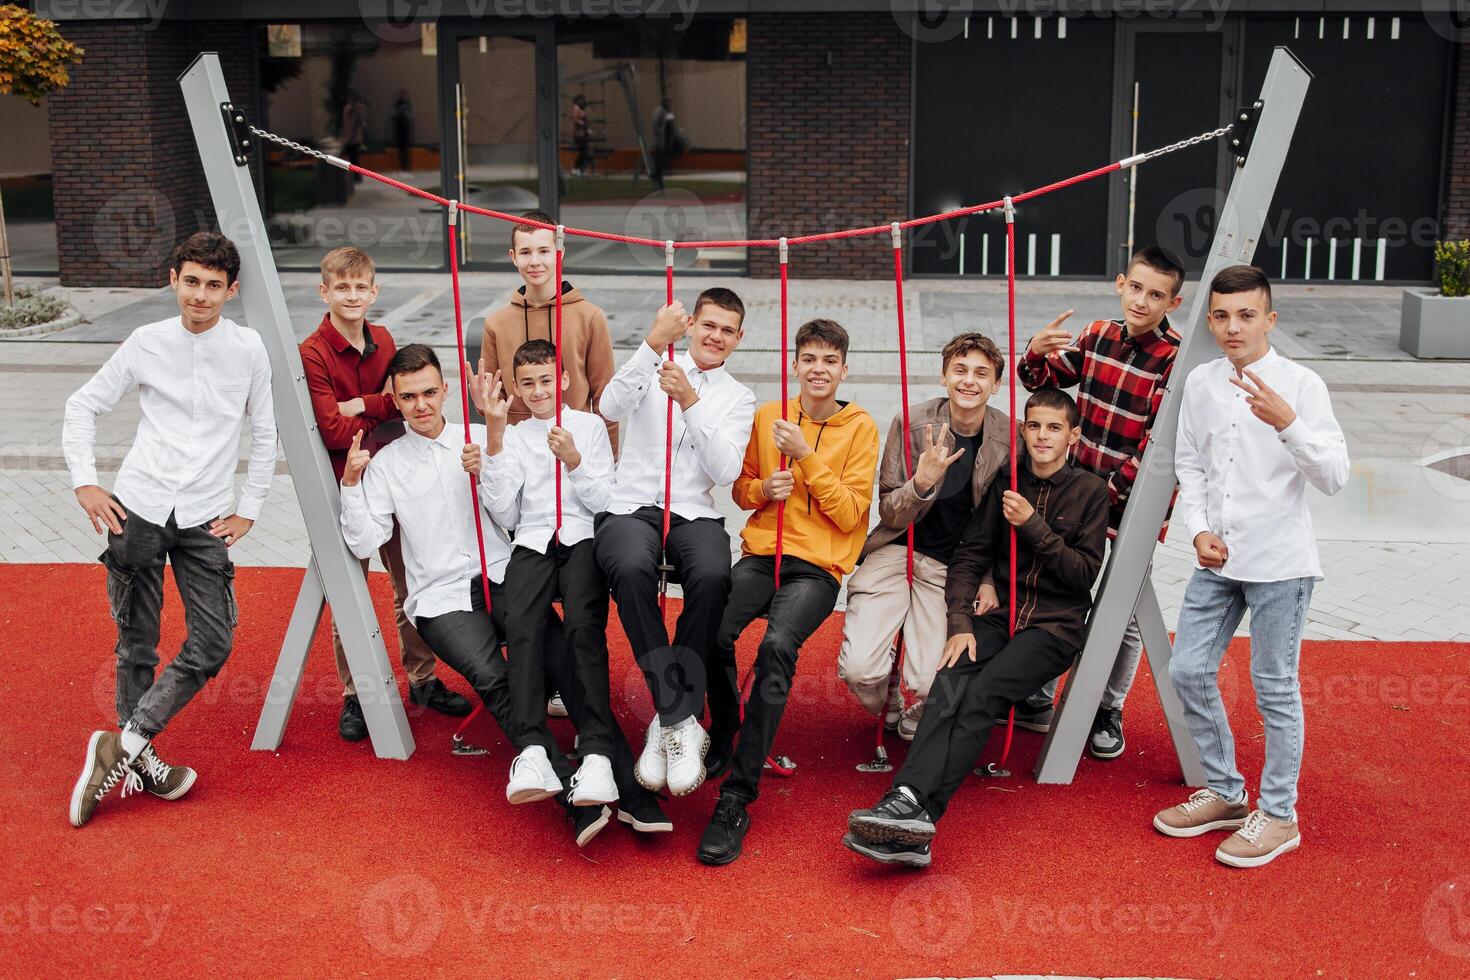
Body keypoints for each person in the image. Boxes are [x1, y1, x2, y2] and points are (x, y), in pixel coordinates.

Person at [339, 343, 665, 847]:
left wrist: (488, 458)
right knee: (496, 676)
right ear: (395, 400)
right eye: (408, 397)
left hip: (502, 575)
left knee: (567, 660)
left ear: (446, 391)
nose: (422, 405)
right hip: (441, 597)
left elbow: (512, 511)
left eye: (430, 392)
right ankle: (572, 797)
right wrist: (352, 484)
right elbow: (364, 541)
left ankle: (623, 781)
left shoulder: (487, 436)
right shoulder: (384, 465)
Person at [844, 389, 1108, 867]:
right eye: (1034, 426)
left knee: (983, 695)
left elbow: (1083, 576)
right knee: (947, 683)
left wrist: (1034, 527)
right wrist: (961, 621)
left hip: (1051, 628)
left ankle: (922, 812)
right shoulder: (1008, 480)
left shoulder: (1090, 491)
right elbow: (971, 554)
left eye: (1054, 427)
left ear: (1073, 436)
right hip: (997, 616)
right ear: (1023, 432)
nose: (1042, 436)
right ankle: (905, 798)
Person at [65, 232, 277, 828]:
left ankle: (123, 745)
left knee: (213, 643)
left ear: (231, 291)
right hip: (137, 509)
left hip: (208, 518)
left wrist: (251, 506)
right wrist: (86, 481)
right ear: (173, 279)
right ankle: (143, 757)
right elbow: (83, 406)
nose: (201, 296)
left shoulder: (249, 349)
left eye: (214, 286)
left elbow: (265, 431)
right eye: (192, 282)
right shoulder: (145, 342)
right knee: (137, 644)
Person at [1153, 265, 1348, 869]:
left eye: (1245, 314)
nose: (1232, 327)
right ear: (1208, 320)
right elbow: (1190, 466)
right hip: (1219, 558)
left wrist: (1288, 422)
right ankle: (1228, 793)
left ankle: (1281, 815)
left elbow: (1335, 477)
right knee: (1187, 671)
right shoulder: (1203, 384)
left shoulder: (1302, 384)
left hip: (1282, 565)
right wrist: (1199, 530)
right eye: (1220, 315)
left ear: (1270, 318)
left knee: (1274, 688)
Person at [697, 319, 879, 866]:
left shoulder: (862, 427)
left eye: (829, 360)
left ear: (844, 369)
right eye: (809, 359)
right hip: (762, 555)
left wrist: (805, 457)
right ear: (796, 365)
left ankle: (737, 796)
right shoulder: (768, 416)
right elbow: (742, 486)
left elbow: (850, 514)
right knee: (711, 630)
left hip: (817, 570)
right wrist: (760, 490)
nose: (818, 369)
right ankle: (727, 726)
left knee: (778, 646)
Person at [1016, 244, 1186, 757]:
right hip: (1079, 493)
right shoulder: (1096, 336)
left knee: (1126, 610)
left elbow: (1159, 446)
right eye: (1135, 288)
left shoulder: (1175, 359)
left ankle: (1108, 706)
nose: (1142, 300)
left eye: (1156, 294)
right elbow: (1042, 388)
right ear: (1120, 284)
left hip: (1129, 500)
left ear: (1172, 304)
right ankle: (1040, 692)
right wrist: (1035, 352)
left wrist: (1102, 494)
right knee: (1061, 586)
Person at [299, 245, 470, 742]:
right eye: (341, 287)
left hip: (396, 474)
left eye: (360, 287)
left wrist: (364, 403)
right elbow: (332, 429)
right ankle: (356, 696)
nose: (352, 296)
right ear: (325, 291)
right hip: (346, 481)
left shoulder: (385, 338)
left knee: (408, 584)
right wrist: (376, 405)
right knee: (348, 593)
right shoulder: (312, 351)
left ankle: (422, 680)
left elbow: (400, 408)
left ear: (373, 292)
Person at [594, 290, 755, 797]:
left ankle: (670, 716)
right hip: (634, 502)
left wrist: (690, 402)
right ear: (691, 325)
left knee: (713, 576)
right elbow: (608, 405)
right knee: (627, 564)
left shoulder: (738, 396)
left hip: (694, 509)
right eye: (708, 325)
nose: (715, 336)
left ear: (739, 338)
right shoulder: (656, 361)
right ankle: (679, 715)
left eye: (727, 330)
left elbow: (726, 472)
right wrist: (650, 345)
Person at [837, 333, 1010, 740]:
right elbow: (888, 509)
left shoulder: (1007, 436)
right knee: (860, 670)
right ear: (944, 376)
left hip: (951, 566)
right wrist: (921, 482)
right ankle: (889, 701)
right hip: (898, 548)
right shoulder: (912, 422)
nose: (969, 381)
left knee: (934, 682)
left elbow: (1001, 525)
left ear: (996, 384)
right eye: (960, 370)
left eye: (981, 374)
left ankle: (918, 711)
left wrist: (987, 580)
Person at [479, 340, 623, 808]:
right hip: (533, 539)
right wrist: (495, 438)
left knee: (584, 626)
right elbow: (502, 509)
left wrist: (575, 461)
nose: (538, 391)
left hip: (581, 537)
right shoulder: (514, 435)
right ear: (516, 388)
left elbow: (605, 502)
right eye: (527, 384)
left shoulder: (589, 426)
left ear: (561, 379)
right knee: (521, 625)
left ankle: (597, 749)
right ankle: (533, 747)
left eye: (546, 380)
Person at [479, 210, 617, 451]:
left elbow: (605, 398)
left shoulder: (590, 316)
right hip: (519, 450)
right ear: (513, 257)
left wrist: (610, 456)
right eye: (525, 252)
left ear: (559, 253)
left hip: (577, 447)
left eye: (543, 251)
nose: (534, 261)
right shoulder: (496, 323)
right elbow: (493, 398)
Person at [390, 89, 414, 174]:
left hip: (405, 130)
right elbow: (393, 115)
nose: (402, 96)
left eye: (403, 95)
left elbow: (409, 116)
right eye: (401, 95)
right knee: (400, 150)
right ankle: (402, 168)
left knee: (406, 150)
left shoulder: (407, 105)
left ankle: (406, 168)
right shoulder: (396, 105)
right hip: (399, 130)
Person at [571, 94, 592, 176]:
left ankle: (581, 169)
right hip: (579, 134)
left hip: (583, 133)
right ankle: (576, 169)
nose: (583, 101)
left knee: (585, 152)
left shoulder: (582, 108)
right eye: (582, 99)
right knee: (584, 152)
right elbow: (575, 119)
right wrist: (583, 123)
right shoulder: (576, 107)